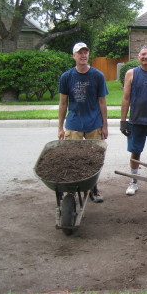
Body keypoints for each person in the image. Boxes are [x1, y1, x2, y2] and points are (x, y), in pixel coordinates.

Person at [58, 42, 109, 203]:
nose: (83, 55)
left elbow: (102, 102)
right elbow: (63, 103)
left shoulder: (97, 76)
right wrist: (60, 127)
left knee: (94, 159)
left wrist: (105, 125)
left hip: (94, 124)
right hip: (74, 125)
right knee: (73, 158)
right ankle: (71, 190)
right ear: (74, 56)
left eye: (85, 52)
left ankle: (93, 189)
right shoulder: (66, 77)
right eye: (80, 53)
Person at [120, 46, 147, 195]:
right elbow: (126, 98)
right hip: (136, 121)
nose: (146, 57)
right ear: (138, 56)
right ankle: (133, 180)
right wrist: (123, 120)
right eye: (143, 54)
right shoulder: (131, 73)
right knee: (135, 152)